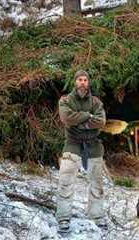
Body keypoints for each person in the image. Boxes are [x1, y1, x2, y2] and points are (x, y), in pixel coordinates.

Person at [56, 70, 107, 233]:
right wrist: (87, 116)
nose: (83, 82)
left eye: (85, 80)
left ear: (88, 82)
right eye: (80, 79)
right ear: (75, 82)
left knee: (97, 184)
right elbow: (66, 118)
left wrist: (80, 123)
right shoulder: (66, 100)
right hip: (72, 144)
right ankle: (63, 217)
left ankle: (97, 216)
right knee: (66, 182)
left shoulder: (96, 102)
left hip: (93, 146)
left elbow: (101, 121)